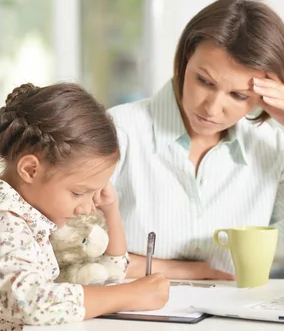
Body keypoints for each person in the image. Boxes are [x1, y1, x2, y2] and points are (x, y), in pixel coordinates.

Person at [108, 0, 284, 281]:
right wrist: (193, 271)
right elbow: (68, 256)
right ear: (184, 61)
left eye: (239, 95)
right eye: (204, 81)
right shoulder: (118, 132)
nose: (213, 108)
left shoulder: (269, 147)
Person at [0, 83, 169, 330]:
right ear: (30, 170)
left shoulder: (35, 216)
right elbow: (31, 302)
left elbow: (111, 271)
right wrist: (130, 295)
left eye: (95, 193)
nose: (88, 208)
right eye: (79, 192)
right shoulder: (7, 219)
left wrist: (111, 210)